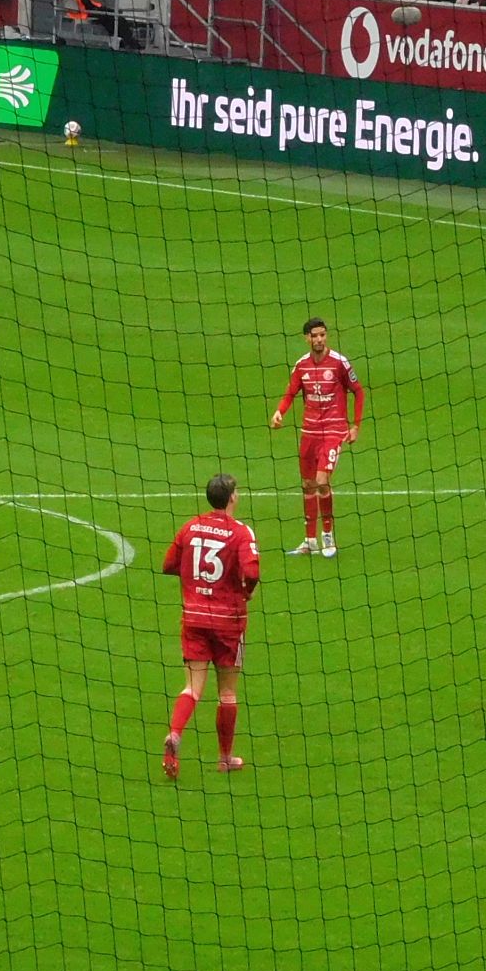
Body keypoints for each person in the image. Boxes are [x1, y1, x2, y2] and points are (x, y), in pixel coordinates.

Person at [159, 474, 261, 779]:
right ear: (231, 498)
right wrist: (247, 590)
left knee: (192, 687)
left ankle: (175, 734)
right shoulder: (241, 532)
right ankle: (225, 758)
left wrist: (196, 582)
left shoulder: (190, 527)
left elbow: (167, 565)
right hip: (229, 622)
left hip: (194, 617)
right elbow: (252, 570)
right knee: (227, 693)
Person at [269, 318, 367, 556]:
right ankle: (310, 541)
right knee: (307, 485)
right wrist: (279, 413)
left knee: (322, 480)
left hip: (333, 431)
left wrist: (355, 426)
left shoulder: (339, 363)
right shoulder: (301, 366)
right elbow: (291, 392)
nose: (320, 339)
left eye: (323, 335)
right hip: (309, 432)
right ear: (307, 338)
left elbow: (358, 391)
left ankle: (328, 537)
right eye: (315, 336)